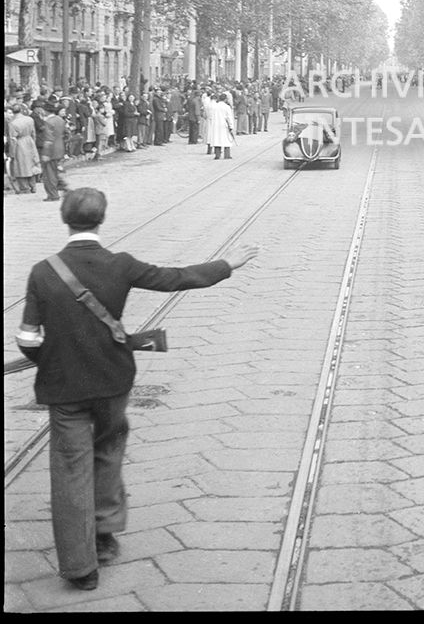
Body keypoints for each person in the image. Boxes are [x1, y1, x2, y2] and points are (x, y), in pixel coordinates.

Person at [14, 187, 260, 590]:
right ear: (102, 219)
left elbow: (27, 338)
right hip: (112, 382)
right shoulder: (121, 265)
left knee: (71, 469)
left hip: (64, 390)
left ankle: (80, 569)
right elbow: (175, 278)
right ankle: (104, 535)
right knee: (108, 451)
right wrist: (226, 263)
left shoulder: (43, 271)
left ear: (64, 219)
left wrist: (54, 361)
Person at [39, 103, 70, 202]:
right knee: (56, 171)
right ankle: (62, 188)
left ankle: (53, 195)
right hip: (60, 147)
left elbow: (48, 139)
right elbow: (67, 133)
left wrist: (46, 153)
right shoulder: (60, 119)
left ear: (46, 110)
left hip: (51, 150)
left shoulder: (48, 122)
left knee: (49, 174)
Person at [8, 103, 41, 194]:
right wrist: (33, 142)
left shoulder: (12, 123)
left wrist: (12, 153)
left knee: (21, 165)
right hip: (29, 140)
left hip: (19, 143)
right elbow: (33, 133)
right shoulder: (29, 119)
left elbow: (12, 139)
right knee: (31, 163)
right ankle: (33, 185)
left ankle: (24, 187)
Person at [207, 92, 236, 159]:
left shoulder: (215, 106)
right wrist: (231, 126)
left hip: (215, 125)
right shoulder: (227, 107)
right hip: (224, 125)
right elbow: (229, 117)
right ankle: (227, 155)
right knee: (226, 140)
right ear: (225, 99)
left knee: (217, 140)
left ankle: (217, 155)